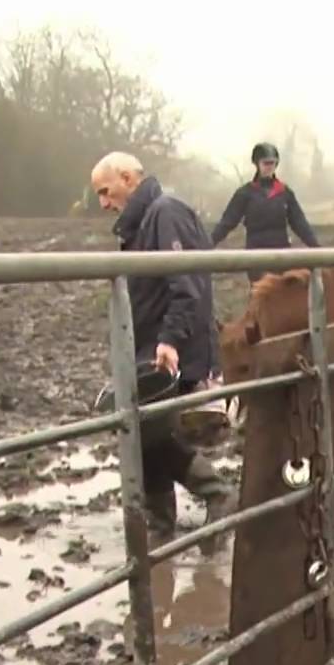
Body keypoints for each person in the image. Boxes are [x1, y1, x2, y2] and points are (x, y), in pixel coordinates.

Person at [90, 151, 236, 542]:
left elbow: (187, 284)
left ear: (127, 178)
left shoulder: (164, 212)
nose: (103, 203)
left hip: (171, 348)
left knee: (149, 434)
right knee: (143, 436)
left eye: (105, 191)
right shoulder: (141, 223)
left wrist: (170, 341)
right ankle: (162, 526)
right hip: (150, 348)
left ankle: (214, 495)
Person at [208, 142, 320, 283]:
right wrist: (208, 243)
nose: (269, 167)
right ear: (257, 164)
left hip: (281, 255)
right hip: (256, 256)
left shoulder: (285, 193)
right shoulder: (245, 193)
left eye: (272, 163)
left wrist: (317, 248)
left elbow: (300, 223)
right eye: (265, 163)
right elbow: (227, 222)